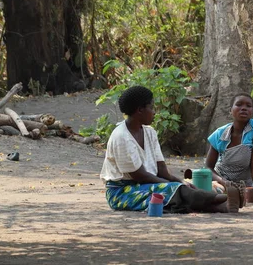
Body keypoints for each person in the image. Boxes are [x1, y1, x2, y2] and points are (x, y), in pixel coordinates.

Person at [100, 86, 238, 213]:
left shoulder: (150, 133)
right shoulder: (121, 137)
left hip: (148, 186)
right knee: (171, 190)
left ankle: (221, 206)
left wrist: (181, 182)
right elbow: (140, 176)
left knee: (177, 191)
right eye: (151, 107)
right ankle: (218, 199)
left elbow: (162, 170)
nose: (154, 112)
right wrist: (175, 185)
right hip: (123, 193)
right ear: (140, 110)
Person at [205, 93, 253, 198]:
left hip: (244, 184)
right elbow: (208, 167)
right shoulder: (219, 134)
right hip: (221, 180)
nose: (244, 108)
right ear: (230, 110)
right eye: (239, 104)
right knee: (213, 192)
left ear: (252, 111)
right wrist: (223, 182)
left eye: (248, 106)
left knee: (244, 196)